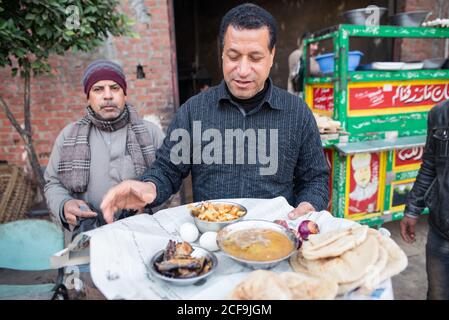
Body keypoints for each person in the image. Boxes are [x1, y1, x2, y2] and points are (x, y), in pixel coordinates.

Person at [100, 3, 329, 224]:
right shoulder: (194, 111)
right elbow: (167, 170)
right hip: (211, 239)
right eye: (233, 56)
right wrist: (149, 187)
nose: (242, 70)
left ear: (271, 55)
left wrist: (308, 205)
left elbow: (315, 178)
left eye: (255, 58)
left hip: (274, 239)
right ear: (222, 53)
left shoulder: (296, 113)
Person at [44, 59, 165, 239]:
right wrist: (64, 204)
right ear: (88, 97)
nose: (107, 95)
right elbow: (53, 183)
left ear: (124, 93)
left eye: (114, 88)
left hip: (143, 236)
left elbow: (167, 178)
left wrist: (149, 204)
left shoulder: (151, 133)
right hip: (87, 241)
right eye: (98, 89)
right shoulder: (68, 136)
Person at [401, 100, 449, 300]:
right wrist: (412, 210)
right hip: (442, 231)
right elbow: (430, 165)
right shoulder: (439, 114)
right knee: (438, 294)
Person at [287, 31, 320, 96]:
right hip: (296, 96)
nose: (316, 48)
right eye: (313, 44)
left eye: (317, 45)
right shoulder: (297, 54)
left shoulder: (306, 56)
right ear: (304, 42)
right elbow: (316, 70)